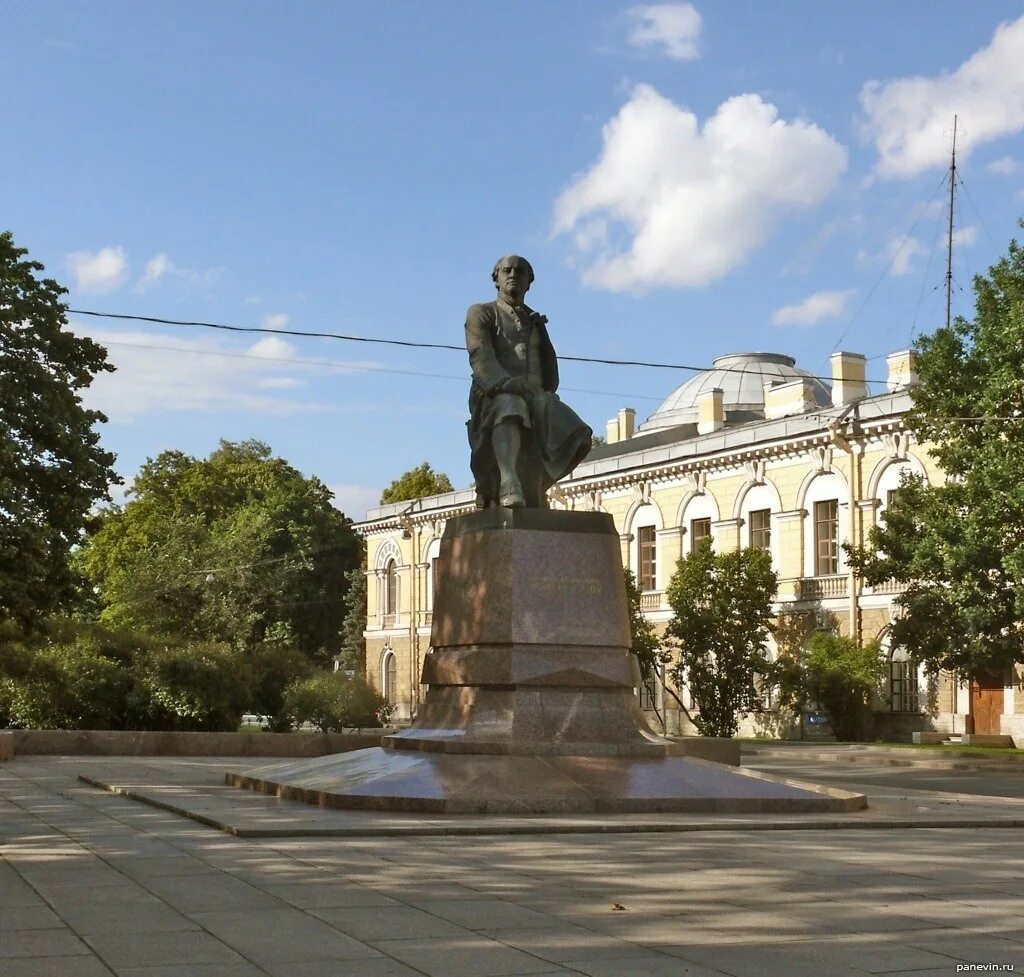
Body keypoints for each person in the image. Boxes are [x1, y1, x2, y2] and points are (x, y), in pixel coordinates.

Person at [465, 255, 592, 508]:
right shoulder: (482, 313)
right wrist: (505, 383)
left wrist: (540, 388)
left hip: (535, 395)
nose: (513, 274)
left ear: (529, 283)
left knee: (579, 434)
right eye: (507, 270)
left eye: (520, 271)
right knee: (510, 406)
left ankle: (536, 485)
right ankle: (508, 482)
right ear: (497, 279)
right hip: (492, 394)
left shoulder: (534, 320)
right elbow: (480, 356)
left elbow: (548, 372)